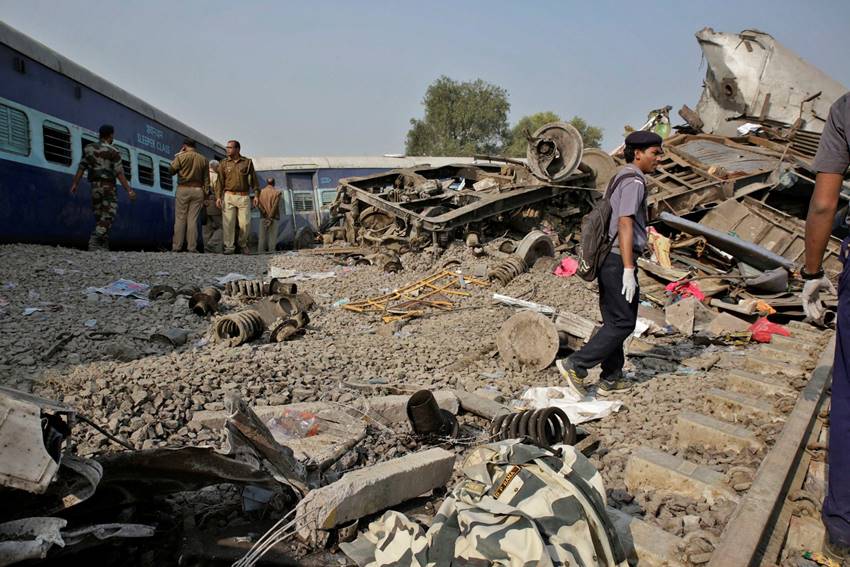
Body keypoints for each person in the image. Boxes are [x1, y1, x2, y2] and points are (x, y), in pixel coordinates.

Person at [556, 131, 663, 397]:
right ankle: (576, 364)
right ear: (638, 154)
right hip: (618, 260)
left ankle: (611, 377)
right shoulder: (635, 181)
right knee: (624, 322)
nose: (659, 159)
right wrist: (628, 268)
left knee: (613, 319)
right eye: (655, 153)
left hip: (609, 257)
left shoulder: (619, 175)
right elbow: (625, 222)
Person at [801, 91, 850, 561]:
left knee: (849, 397)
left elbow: (823, 204)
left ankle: (843, 530)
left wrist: (812, 274)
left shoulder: (846, 109)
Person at [69, 124, 136, 251]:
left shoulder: (89, 149)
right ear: (111, 135)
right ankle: (95, 240)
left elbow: (81, 167)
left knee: (100, 215)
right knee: (109, 214)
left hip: (94, 186)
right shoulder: (113, 151)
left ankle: (103, 245)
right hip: (108, 187)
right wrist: (129, 190)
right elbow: (119, 172)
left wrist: (75, 184)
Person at [216, 139, 259, 255]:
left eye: (230, 148)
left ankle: (243, 244)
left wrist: (256, 195)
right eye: (227, 147)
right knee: (228, 223)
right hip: (228, 196)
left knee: (245, 223)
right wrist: (218, 197)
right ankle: (229, 247)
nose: (227, 150)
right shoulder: (223, 163)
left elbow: (254, 180)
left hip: (243, 197)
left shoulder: (247, 162)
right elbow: (219, 181)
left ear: (237, 149)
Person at [170, 139, 210, 252]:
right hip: (198, 190)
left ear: (184, 146)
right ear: (195, 147)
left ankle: (177, 246)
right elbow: (207, 180)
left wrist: (177, 155)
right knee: (192, 219)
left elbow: (171, 171)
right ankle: (192, 247)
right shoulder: (203, 159)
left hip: (183, 189)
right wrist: (206, 196)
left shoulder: (180, 157)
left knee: (180, 218)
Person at [256, 177, 282, 253]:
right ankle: (271, 251)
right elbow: (275, 206)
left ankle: (260, 252)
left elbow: (259, 205)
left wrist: (264, 214)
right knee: (272, 236)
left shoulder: (261, 192)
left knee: (262, 236)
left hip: (263, 217)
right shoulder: (277, 193)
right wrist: (270, 218)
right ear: (274, 183)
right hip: (273, 218)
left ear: (267, 183)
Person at [203, 160, 223, 253]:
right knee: (223, 227)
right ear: (214, 167)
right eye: (218, 167)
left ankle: (207, 249)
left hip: (203, 204)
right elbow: (218, 191)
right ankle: (211, 244)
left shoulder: (202, 175)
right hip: (213, 202)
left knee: (207, 228)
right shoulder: (215, 176)